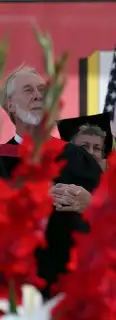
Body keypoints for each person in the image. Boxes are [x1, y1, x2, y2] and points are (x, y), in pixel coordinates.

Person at [0, 66, 102, 294]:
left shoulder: (78, 158)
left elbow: (112, 214)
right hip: (11, 286)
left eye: (43, 90)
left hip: (71, 284)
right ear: (10, 105)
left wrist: (91, 204)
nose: (38, 95)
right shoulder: (1, 159)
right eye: (28, 90)